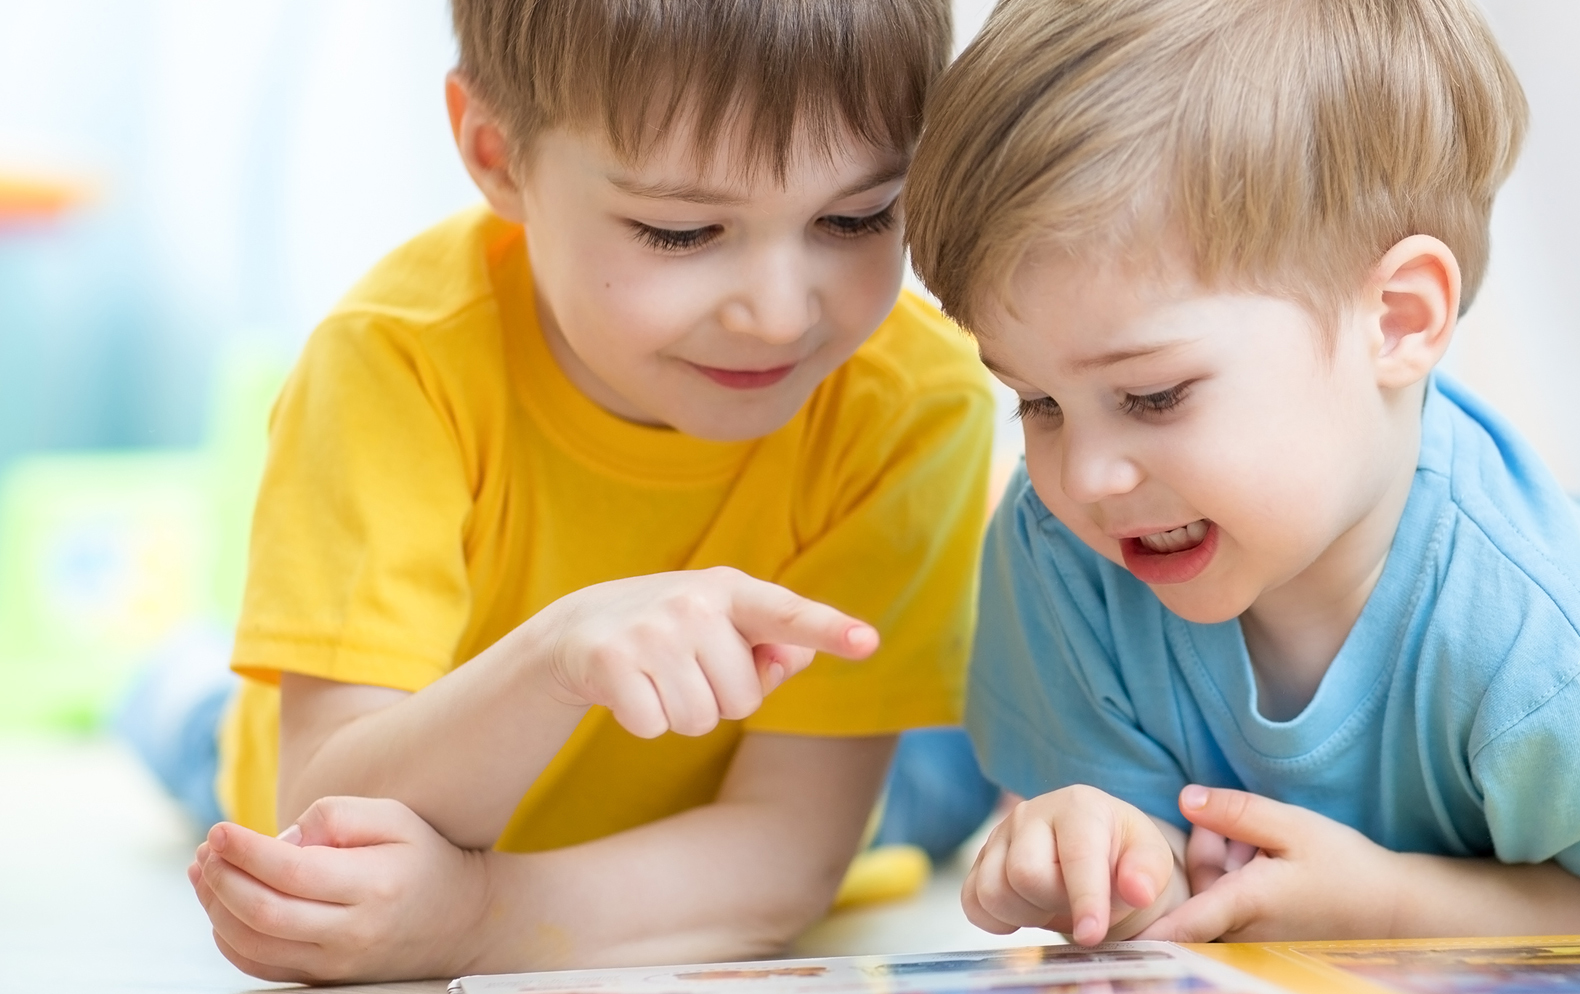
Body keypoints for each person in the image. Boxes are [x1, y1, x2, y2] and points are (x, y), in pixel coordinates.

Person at [902, 0, 1580, 946]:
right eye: (1037, 403)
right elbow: (1160, 857)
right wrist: (1104, 852)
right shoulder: (1062, 553)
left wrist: (1392, 900)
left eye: (1155, 397)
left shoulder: (1567, 647)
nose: (1087, 474)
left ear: (1400, 319)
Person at [184, 0, 993, 983]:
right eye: (683, 231)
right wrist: (556, 663)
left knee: (949, 781)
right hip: (395, 767)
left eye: (858, 216)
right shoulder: (394, 361)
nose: (781, 317)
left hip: (749, 796)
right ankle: (179, 679)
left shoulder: (915, 395)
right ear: (495, 153)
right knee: (188, 735)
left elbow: (788, 853)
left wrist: (475, 918)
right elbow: (323, 820)